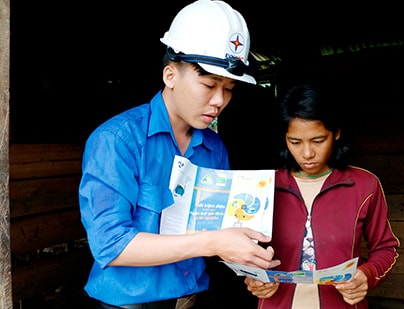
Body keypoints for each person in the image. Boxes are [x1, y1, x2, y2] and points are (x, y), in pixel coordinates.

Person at [78, 1, 280, 308]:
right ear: (170, 75)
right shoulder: (118, 140)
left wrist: (249, 265)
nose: (219, 101)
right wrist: (212, 242)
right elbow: (112, 245)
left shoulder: (214, 150)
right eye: (209, 84)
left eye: (228, 89)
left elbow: (222, 230)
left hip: (190, 301)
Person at [244, 84, 400, 308]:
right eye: (295, 142)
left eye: (318, 141)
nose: (307, 153)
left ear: (336, 133)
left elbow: (386, 248)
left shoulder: (364, 186)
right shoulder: (263, 187)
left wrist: (367, 274)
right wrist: (254, 278)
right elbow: (242, 249)